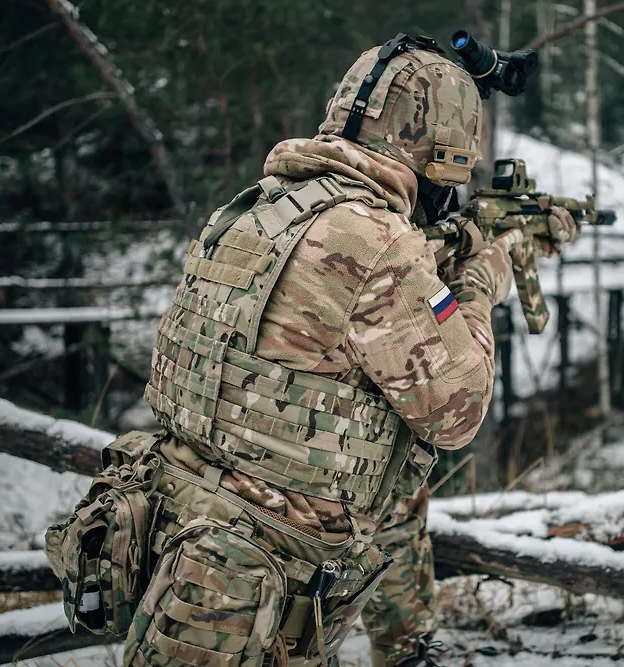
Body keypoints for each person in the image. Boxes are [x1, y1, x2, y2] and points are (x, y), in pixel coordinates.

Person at [49, 33, 577, 667]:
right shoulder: (375, 239)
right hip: (257, 581)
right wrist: (475, 286)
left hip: (185, 536)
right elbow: (458, 410)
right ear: (437, 152)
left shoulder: (256, 209)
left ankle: (403, 643)